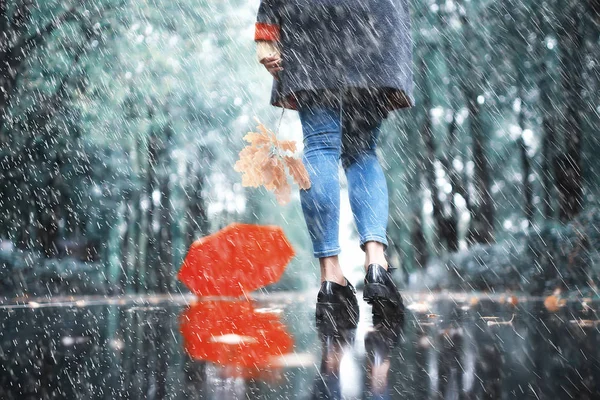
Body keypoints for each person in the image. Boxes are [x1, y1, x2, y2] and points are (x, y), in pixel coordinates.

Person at [254, 0, 413, 328]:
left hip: (312, 20)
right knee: (363, 152)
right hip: (373, 19)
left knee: (320, 147)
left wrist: (266, 30)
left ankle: (330, 279)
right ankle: (376, 263)